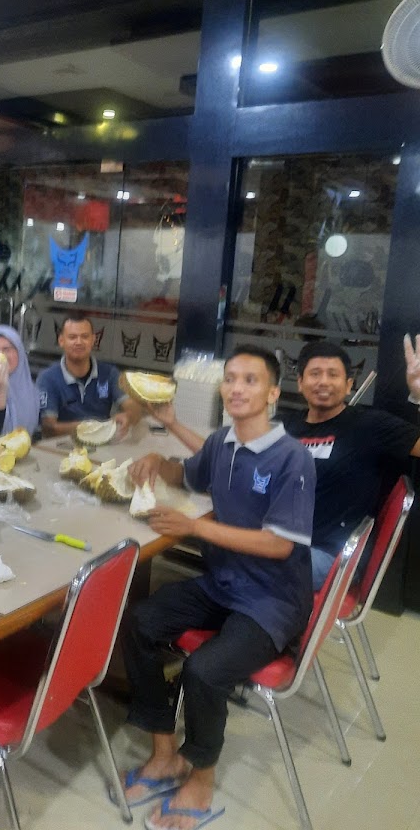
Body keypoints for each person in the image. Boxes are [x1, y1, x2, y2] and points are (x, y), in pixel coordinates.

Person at [119, 344, 315, 830]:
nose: (236, 388)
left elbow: (279, 545)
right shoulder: (223, 442)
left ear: (273, 393)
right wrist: (155, 457)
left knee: (204, 671)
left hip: (272, 599)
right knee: (140, 622)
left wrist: (195, 528)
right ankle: (164, 753)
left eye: (250, 380)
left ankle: (201, 777)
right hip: (224, 585)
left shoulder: (293, 459)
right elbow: (187, 474)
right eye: (230, 379)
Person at [283, 337, 420, 589]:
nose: (324, 381)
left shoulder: (370, 425)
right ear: (300, 383)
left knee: (241, 564)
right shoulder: (286, 426)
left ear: (348, 385)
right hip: (280, 541)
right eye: (315, 374)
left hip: (329, 556)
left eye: (333, 374)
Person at [36, 312, 142, 438]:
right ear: (61, 341)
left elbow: (134, 408)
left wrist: (128, 416)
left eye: (84, 337)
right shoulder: (47, 378)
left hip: (102, 444)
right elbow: (48, 428)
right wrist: (94, 427)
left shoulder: (109, 373)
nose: (79, 342)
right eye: (72, 337)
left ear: (93, 340)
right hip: (60, 446)